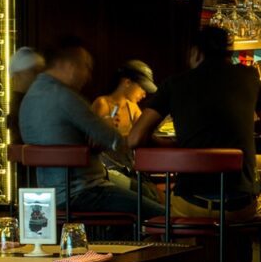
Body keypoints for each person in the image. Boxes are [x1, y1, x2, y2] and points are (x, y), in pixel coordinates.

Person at [132, 25, 261, 248]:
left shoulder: (175, 83)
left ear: (196, 52)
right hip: (238, 207)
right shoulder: (250, 76)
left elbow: (134, 138)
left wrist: (181, 146)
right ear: (230, 51)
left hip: (191, 204)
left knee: (165, 206)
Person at [17, 36, 162, 217]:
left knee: (141, 196)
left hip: (48, 193)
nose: (88, 75)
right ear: (69, 66)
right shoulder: (66, 97)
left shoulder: (30, 97)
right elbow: (114, 139)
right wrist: (106, 125)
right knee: (162, 216)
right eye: (85, 67)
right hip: (84, 192)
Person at [91, 59, 156, 136]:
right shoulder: (102, 104)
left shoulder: (133, 108)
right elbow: (93, 139)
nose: (144, 95)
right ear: (127, 82)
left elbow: (145, 132)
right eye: (142, 88)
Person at [6, 47, 44, 145]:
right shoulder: (22, 104)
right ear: (18, 75)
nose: (39, 76)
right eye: (34, 71)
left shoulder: (24, 100)